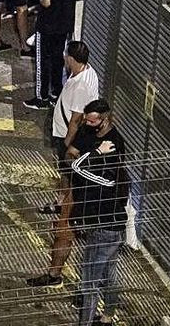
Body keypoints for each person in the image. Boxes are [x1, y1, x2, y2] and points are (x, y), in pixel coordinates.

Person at [27, 41, 99, 288]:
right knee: (65, 191)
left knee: (63, 228)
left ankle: (54, 274)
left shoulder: (80, 86)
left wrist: (68, 146)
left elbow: (75, 120)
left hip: (68, 147)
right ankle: (62, 207)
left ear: (70, 58)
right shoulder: (87, 74)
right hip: (73, 166)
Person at [68, 99, 129, 325]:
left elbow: (78, 167)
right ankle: (108, 316)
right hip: (113, 224)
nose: (87, 122)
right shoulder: (96, 133)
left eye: (92, 120)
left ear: (105, 118)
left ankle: (86, 322)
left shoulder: (112, 145)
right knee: (108, 274)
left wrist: (95, 151)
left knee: (89, 281)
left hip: (103, 226)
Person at [23, 0, 79, 110]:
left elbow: (46, 2)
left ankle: (42, 97)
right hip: (65, 23)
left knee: (42, 61)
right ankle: (56, 93)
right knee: (57, 60)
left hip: (47, 24)